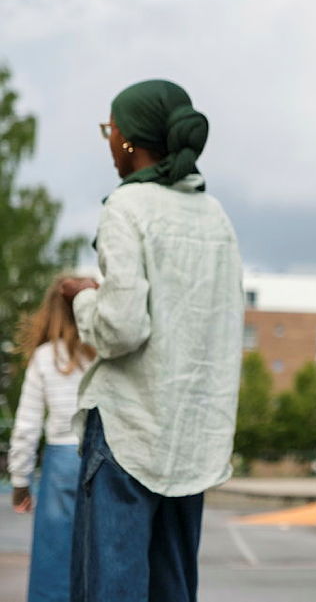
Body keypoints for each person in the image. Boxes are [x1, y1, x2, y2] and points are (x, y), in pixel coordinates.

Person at [62, 79, 243, 602]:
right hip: (193, 436)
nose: (108, 140)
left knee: (111, 589)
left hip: (129, 429)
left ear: (127, 140)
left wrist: (82, 300)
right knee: (174, 588)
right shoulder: (216, 216)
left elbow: (122, 329)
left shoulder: (127, 206)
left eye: (109, 129)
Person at [8, 277, 96, 602]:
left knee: (55, 557)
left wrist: (20, 482)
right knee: (103, 556)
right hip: (105, 458)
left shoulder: (46, 357)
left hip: (61, 465)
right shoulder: (105, 355)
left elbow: (27, 426)